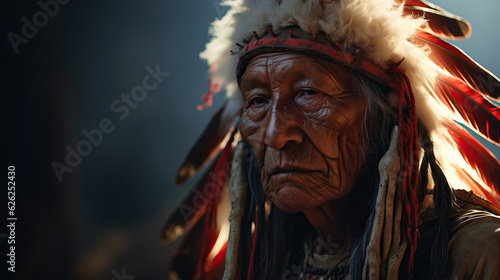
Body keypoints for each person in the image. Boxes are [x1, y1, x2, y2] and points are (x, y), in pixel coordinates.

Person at [163, 0, 500, 279]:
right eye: (258, 101)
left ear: (390, 118)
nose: (275, 134)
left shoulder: (478, 254)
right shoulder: (268, 263)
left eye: (309, 93)